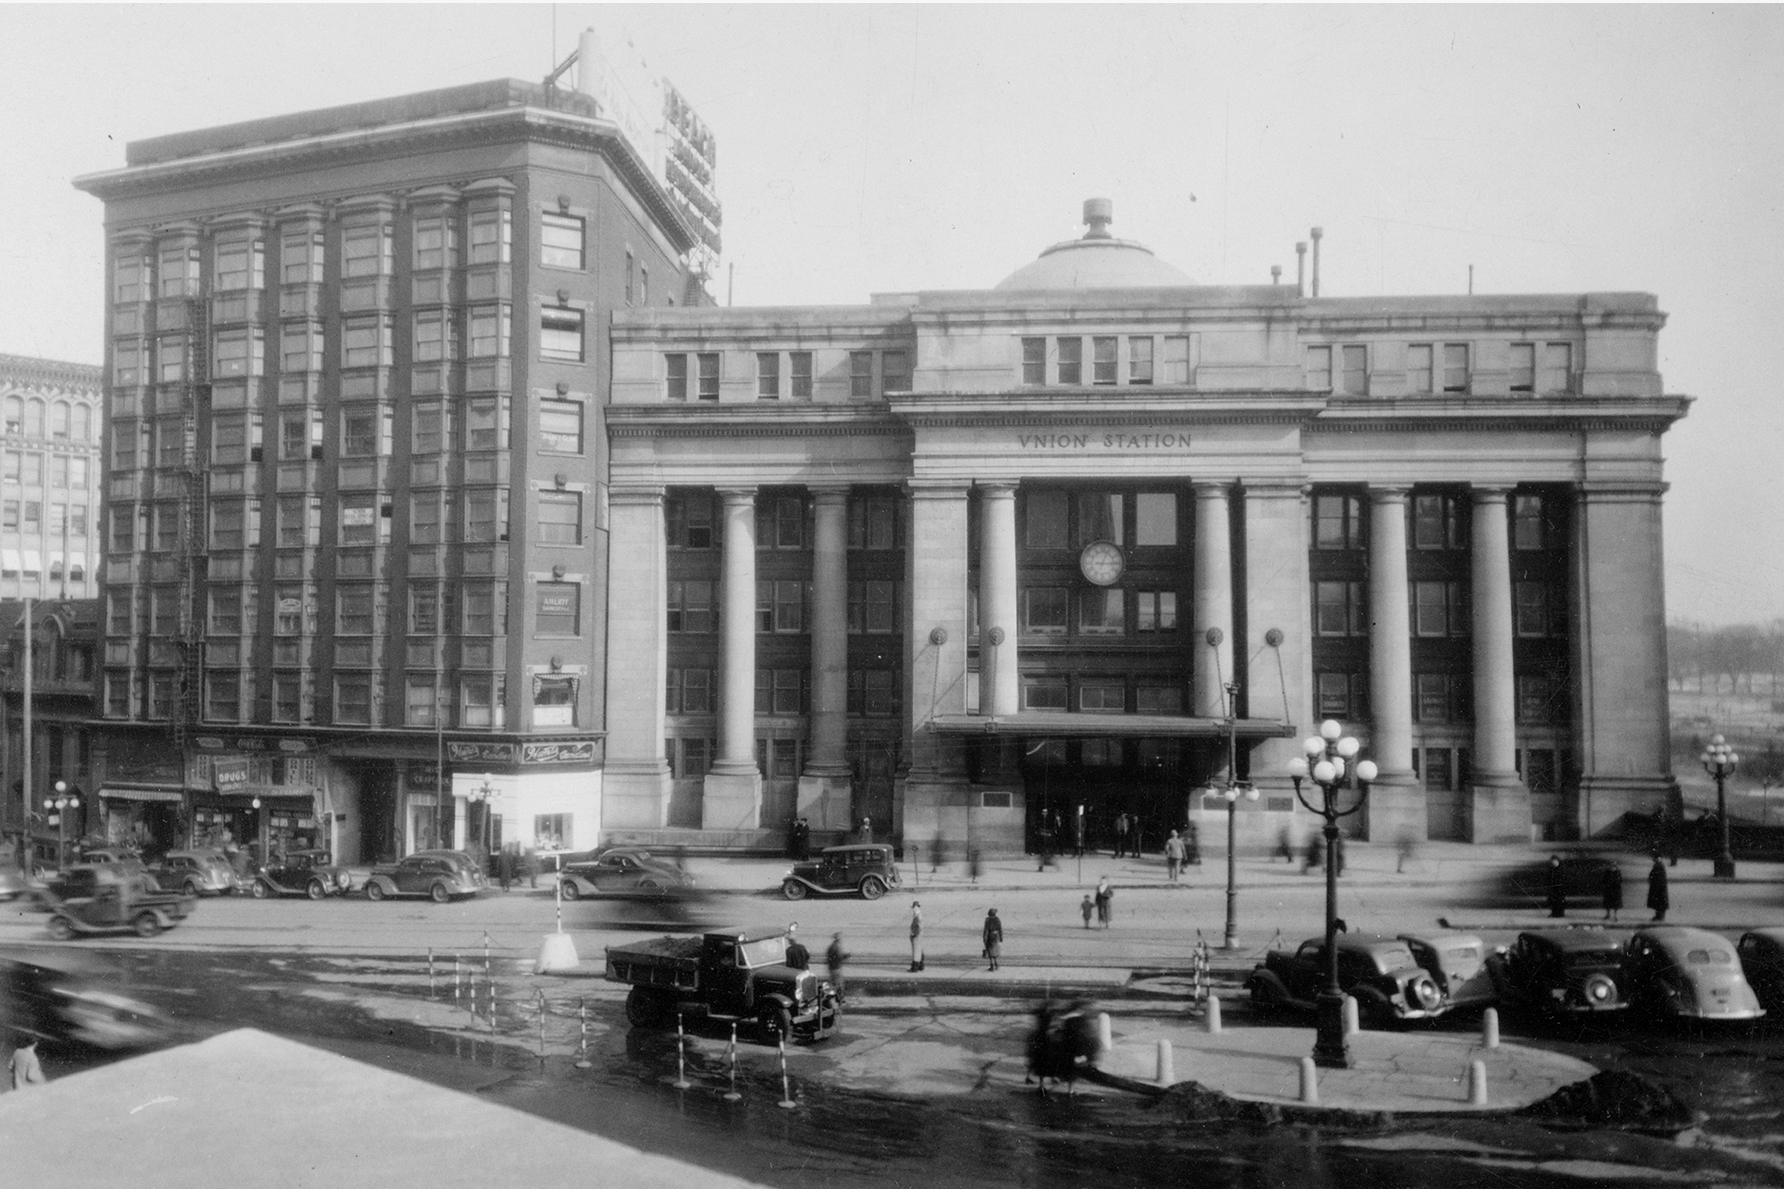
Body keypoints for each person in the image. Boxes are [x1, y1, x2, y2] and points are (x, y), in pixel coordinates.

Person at [826, 932, 849, 1005]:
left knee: (834, 985)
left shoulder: (831, 946)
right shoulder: (836, 947)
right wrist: (846, 956)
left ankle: (834, 999)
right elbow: (839, 957)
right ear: (838, 939)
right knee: (839, 985)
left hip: (832, 968)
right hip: (836, 968)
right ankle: (840, 1000)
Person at [1648, 854, 1670, 922]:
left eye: (1654, 858)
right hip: (1659, 887)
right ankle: (1658, 916)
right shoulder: (1658, 864)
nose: (1653, 860)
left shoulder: (1659, 865)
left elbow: (1658, 876)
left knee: (1660, 902)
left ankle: (1660, 916)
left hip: (1659, 887)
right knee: (1658, 902)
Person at [1545, 853, 1566, 918]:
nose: (1554, 863)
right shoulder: (1551, 870)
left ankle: (1560, 913)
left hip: (1559, 889)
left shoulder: (1561, 870)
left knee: (1559, 901)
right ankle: (1554, 913)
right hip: (1553, 889)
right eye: (1553, 862)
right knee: (1553, 901)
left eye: (1555, 861)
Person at [908, 901, 924, 972]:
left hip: (917, 935)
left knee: (916, 951)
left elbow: (919, 927)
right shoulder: (917, 914)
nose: (913, 909)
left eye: (915, 908)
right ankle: (920, 965)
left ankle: (915, 967)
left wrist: (914, 934)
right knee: (919, 950)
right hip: (918, 935)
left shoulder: (918, 916)